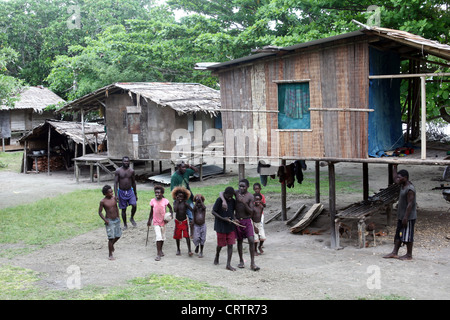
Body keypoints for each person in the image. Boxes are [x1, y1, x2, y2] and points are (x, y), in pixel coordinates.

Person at [220, 179, 260, 271]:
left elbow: (251, 211)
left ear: (247, 187)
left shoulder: (250, 196)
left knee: (251, 239)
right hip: (238, 220)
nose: (241, 188)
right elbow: (221, 192)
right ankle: (241, 260)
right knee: (239, 241)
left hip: (247, 220)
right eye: (240, 186)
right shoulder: (236, 193)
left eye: (243, 186)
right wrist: (224, 201)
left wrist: (244, 203)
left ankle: (252, 263)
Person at [383, 165, 417, 260]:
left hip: (408, 217)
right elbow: (394, 179)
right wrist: (394, 167)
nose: (397, 179)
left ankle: (409, 255)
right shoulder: (402, 184)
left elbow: (410, 204)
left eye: (399, 177)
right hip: (402, 216)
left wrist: (406, 217)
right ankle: (394, 252)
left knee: (408, 236)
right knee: (398, 234)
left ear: (405, 178)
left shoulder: (410, 189)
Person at [211, 186, 241, 271]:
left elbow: (232, 212)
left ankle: (228, 264)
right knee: (220, 245)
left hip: (230, 226)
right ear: (225, 194)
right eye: (228, 196)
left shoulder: (232, 201)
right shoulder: (219, 200)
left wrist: (234, 219)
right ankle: (217, 255)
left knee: (230, 245)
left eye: (231, 196)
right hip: (220, 226)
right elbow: (213, 211)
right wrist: (223, 218)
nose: (230, 198)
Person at [170, 161, 198, 236]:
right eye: (182, 167)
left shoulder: (186, 171)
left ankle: (192, 233)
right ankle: (180, 232)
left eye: (185, 167)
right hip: (180, 200)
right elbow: (172, 190)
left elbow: (196, 170)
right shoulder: (174, 177)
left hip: (188, 199)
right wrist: (177, 201)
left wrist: (189, 165)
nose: (184, 169)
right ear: (178, 167)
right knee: (181, 218)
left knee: (192, 216)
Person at [148, 185, 173, 261]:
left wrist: (170, 216)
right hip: (156, 222)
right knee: (158, 237)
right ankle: (158, 254)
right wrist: (149, 220)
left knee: (162, 237)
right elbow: (151, 211)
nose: (157, 194)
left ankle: (161, 250)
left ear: (162, 193)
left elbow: (171, 208)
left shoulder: (165, 201)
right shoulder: (153, 201)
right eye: (156, 193)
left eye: (159, 193)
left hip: (163, 222)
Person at [98, 185, 122, 260]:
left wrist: (118, 217)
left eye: (112, 191)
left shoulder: (114, 198)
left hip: (116, 219)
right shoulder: (103, 201)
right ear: (105, 193)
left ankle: (111, 246)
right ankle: (110, 254)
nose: (112, 193)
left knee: (118, 235)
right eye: (110, 192)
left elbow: (116, 208)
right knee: (111, 238)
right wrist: (105, 220)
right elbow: (100, 212)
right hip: (109, 221)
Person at [114, 156, 137, 229]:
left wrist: (135, 194)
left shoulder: (131, 171)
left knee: (134, 205)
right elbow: (115, 183)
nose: (126, 162)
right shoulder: (118, 171)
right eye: (125, 161)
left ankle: (132, 218)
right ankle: (125, 225)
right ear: (122, 162)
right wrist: (116, 194)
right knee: (123, 209)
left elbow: (133, 182)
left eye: (127, 161)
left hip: (130, 191)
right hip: (121, 192)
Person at [172, 186, 193, 256]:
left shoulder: (185, 203)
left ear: (184, 197)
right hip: (177, 222)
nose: (180, 198)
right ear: (176, 196)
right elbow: (175, 210)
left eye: (181, 197)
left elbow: (192, 210)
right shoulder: (175, 203)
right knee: (177, 236)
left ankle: (189, 250)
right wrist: (177, 201)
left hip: (184, 221)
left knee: (187, 236)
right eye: (178, 197)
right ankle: (178, 249)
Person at [253, 183, 267, 254]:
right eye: (255, 189)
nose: (256, 190)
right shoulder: (253, 198)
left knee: (261, 233)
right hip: (254, 219)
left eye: (258, 188)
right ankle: (255, 249)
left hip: (260, 216)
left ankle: (260, 246)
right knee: (255, 233)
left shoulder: (262, 197)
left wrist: (261, 202)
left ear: (260, 189)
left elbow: (264, 206)